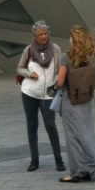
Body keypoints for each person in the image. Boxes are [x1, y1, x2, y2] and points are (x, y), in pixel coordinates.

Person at [55, 25, 95, 183]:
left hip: (70, 101)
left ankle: (78, 170)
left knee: (72, 136)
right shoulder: (88, 56)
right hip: (85, 100)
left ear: (73, 39)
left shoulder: (66, 57)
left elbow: (59, 82)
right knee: (87, 132)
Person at [16, 21, 65, 172]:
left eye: (45, 33)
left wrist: (58, 83)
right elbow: (19, 68)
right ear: (34, 36)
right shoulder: (29, 50)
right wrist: (30, 74)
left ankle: (59, 159)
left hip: (49, 94)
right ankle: (34, 160)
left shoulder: (56, 49)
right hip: (29, 93)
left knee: (50, 125)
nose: (44, 36)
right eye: (40, 34)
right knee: (32, 125)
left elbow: (59, 68)